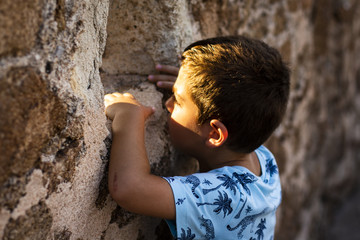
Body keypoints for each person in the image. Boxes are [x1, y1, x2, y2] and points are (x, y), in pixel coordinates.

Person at [104, 36, 290, 239]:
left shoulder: (220, 198)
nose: (168, 104)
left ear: (214, 134)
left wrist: (129, 117)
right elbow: (240, 98)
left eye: (178, 101)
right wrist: (193, 90)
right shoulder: (263, 159)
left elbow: (129, 189)